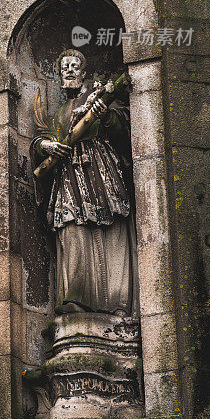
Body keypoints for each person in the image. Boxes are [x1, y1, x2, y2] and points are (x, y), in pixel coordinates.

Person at [31, 49, 139, 317]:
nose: (68, 70)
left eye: (74, 66)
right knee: (71, 228)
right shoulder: (57, 115)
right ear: (59, 76)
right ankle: (75, 298)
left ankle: (118, 301)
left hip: (102, 170)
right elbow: (40, 139)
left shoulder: (98, 98)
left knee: (112, 225)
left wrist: (106, 116)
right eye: (64, 67)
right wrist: (46, 145)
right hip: (68, 175)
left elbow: (124, 126)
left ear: (83, 73)